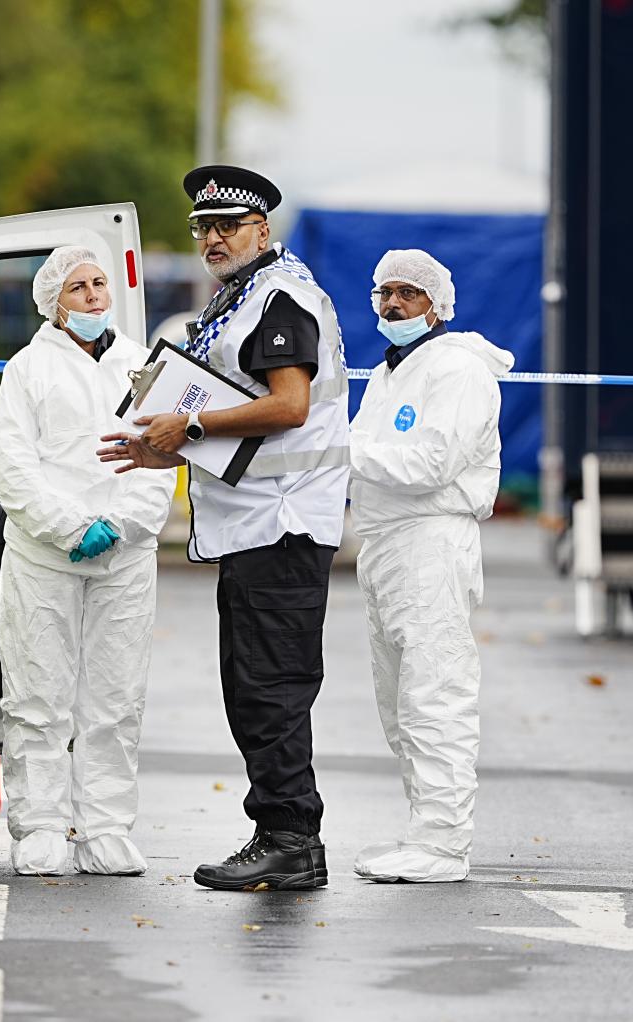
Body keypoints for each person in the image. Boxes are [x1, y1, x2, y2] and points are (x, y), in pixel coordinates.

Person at [99, 166, 349, 891]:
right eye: (203, 228)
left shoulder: (280, 297)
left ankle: (292, 838)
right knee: (251, 687)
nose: (212, 238)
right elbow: (234, 414)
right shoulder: (240, 296)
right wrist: (162, 447)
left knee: (272, 689)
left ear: (261, 230)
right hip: (253, 525)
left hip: (284, 522)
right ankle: (279, 830)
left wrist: (194, 423)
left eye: (227, 226)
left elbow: (289, 405)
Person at [0, 245, 175, 876]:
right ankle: (39, 825)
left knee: (116, 697)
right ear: (54, 303)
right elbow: (12, 469)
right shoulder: (28, 369)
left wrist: (121, 525)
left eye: (100, 284)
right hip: (45, 559)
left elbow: (160, 457)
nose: (95, 296)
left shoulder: (143, 367)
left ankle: (105, 828)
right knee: (38, 694)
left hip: (125, 558)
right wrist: (72, 527)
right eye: (79, 288)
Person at [347, 249, 512, 883]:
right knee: (397, 702)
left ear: (437, 306)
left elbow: (430, 466)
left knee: (434, 693)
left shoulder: (458, 371)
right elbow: (370, 457)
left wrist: (344, 448)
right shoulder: (393, 372)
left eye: (407, 295)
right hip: (386, 545)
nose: (392, 305)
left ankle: (444, 843)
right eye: (384, 293)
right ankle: (423, 830)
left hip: (431, 542)